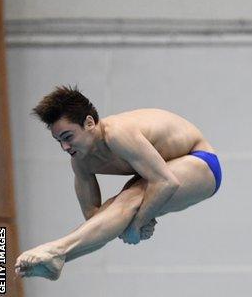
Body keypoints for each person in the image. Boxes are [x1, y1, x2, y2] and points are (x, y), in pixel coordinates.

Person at [14, 86, 222, 280]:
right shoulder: (80, 162)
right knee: (117, 207)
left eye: (68, 137)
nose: (65, 147)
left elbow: (166, 182)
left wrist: (138, 223)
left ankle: (57, 250)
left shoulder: (117, 134)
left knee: (130, 197)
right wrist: (132, 222)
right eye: (59, 140)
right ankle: (59, 260)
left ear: (89, 123)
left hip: (201, 161)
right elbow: (96, 220)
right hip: (162, 172)